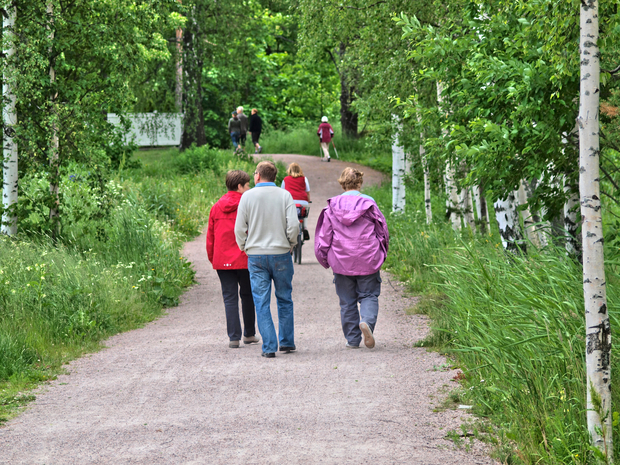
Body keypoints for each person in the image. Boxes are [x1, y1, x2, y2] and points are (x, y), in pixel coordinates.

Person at [314, 167, 389, 349]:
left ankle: (352, 340)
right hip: (368, 257)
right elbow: (382, 231)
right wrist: (382, 252)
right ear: (360, 182)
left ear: (342, 183)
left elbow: (324, 237)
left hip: (341, 260)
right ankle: (367, 323)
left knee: (346, 301)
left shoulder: (332, 206)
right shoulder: (369, 204)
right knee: (369, 294)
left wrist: (324, 258)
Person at [234, 161, 299, 358]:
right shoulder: (284, 195)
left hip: (256, 255)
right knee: (284, 298)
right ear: (274, 177)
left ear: (257, 176)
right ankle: (286, 342)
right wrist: (291, 244)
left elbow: (238, 228)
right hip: (280, 253)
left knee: (261, 302)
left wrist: (244, 247)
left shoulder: (247, 196)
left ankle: (269, 346)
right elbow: (294, 225)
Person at [207, 170, 260, 348]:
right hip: (244, 258)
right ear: (239, 186)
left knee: (229, 297)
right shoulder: (248, 205)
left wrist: (213, 258)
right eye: (247, 185)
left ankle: (234, 337)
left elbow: (211, 237)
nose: (249, 188)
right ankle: (250, 334)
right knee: (248, 295)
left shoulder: (216, 207)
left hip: (222, 260)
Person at [281, 162, 311, 240]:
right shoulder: (304, 178)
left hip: (290, 202)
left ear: (289, 170)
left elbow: (282, 192)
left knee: (287, 214)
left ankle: (287, 228)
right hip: (303, 201)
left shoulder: (286, 179)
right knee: (304, 214)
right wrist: (308, 200)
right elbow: (307, 191)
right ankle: (304, 227)